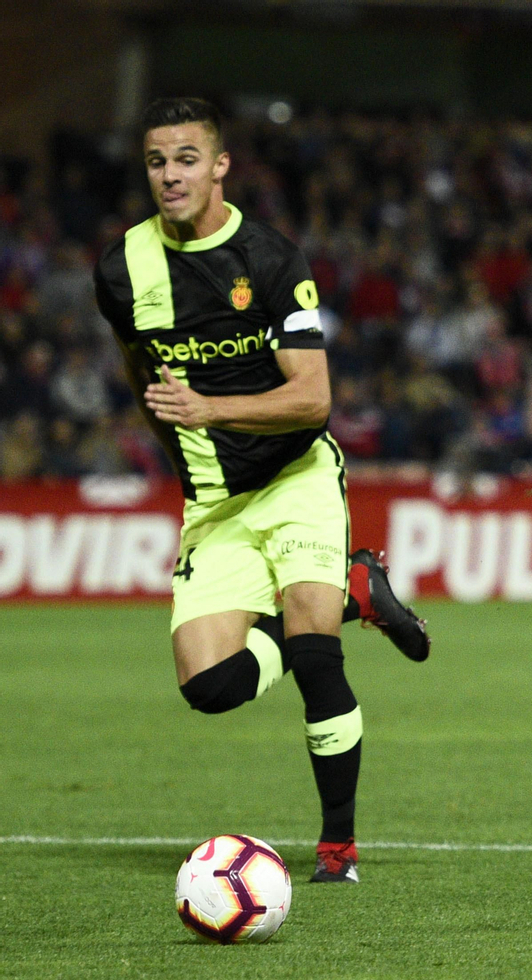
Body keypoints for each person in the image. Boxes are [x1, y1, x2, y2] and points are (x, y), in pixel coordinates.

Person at [92, 98, 431, 883]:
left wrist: (209, 408)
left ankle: (337, 851)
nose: (169, 175)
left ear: (219, 166)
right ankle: (355, 591)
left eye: (185, 158)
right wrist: (180, 440)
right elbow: (135, 364)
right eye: (155, 161)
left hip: (295, 476)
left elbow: (314, 398)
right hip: (215, 500)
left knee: (317, 657)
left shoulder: (271, 261)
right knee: (210, 688)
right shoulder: (121, 269)